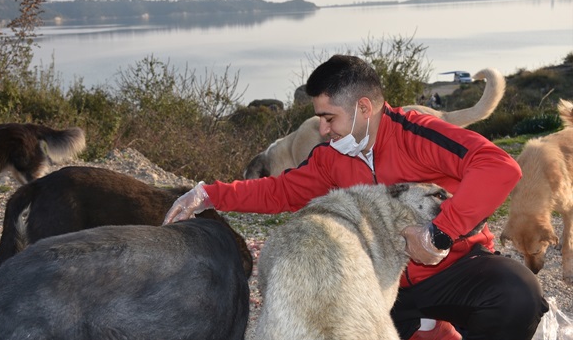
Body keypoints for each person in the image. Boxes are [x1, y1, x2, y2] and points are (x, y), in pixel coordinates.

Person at [163, 54, 548, 340]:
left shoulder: (418, 133)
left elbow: (499, 166)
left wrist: (439, 233)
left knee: (518, 294)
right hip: (376, 279)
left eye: (329, 117)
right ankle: (428, 329)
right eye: (320, 119)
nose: (323, 128)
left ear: (364, 108)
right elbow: (281, 189)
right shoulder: (333, 156)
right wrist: (209, 194)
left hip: (449, 269)